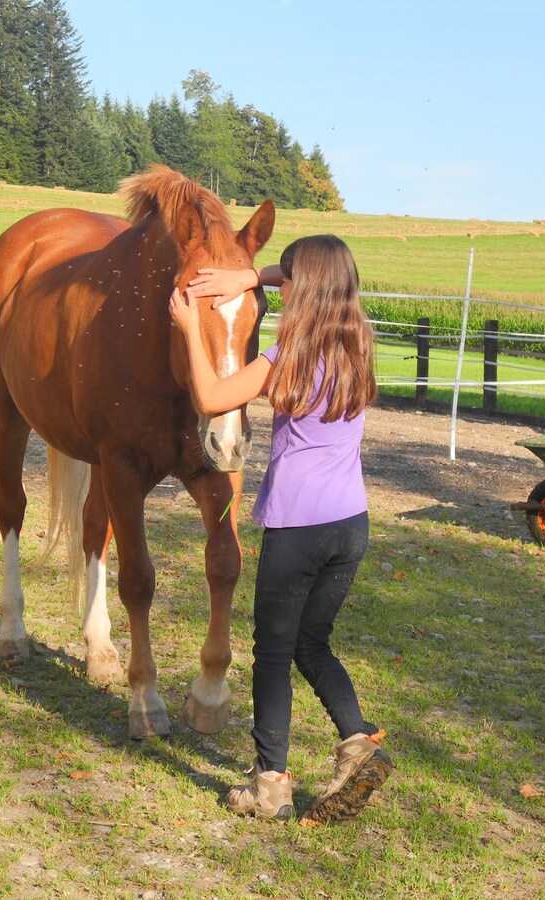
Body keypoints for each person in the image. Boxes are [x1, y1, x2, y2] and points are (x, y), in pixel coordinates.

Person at [169, 234, 393, 825]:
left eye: (284, 280)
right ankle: (358, 742)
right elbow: (307, 280)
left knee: (272, 654)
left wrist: (192, 326)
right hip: (351, 525)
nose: (278, 285)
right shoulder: (359, 344)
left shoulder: (283, 357)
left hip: (298, 527)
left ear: (303, 288)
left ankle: (270, 784)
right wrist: (251, 278)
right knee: (311, 643)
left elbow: (214, 395)